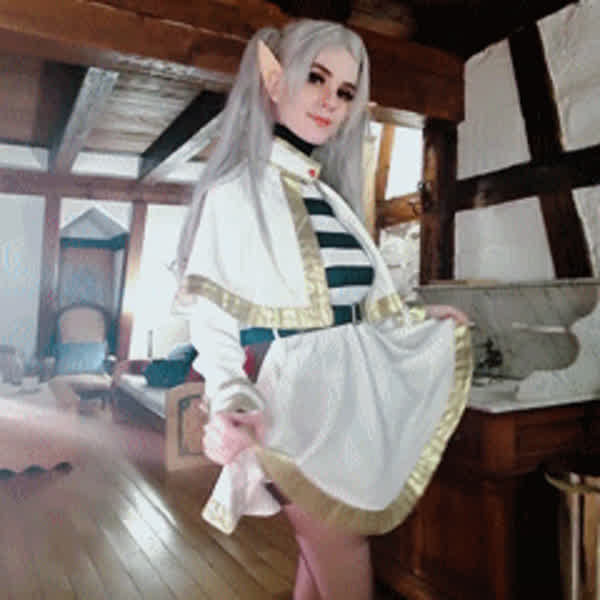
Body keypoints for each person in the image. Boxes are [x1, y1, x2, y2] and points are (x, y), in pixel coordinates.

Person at [173, 19, 473, 600]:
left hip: (348, 407)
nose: (331, 101)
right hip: (294, 408)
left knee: (321, 559)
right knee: (341, 551)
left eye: (345, 91)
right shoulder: (236, 191)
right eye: (316, 78)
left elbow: (360, 311)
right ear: (273, 79)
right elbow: (212, 317)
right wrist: (231, 396)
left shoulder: (330, 196)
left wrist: (421, 321)